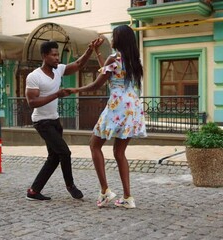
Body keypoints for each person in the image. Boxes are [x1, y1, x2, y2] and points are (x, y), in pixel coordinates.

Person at [68, 25, 147, 208]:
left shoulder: (114, 58)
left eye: (114, 35)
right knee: (120, 153)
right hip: (132, 106)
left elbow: (97, 84)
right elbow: (108, 72)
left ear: (119, 39)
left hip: (117, 105)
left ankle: (105, 191)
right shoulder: (134, 60)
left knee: (94, 145)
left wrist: (74, 90)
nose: (112, 38)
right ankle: (128, 198)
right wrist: (97, 53)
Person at [25, 39, 99, 201]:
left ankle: (33, 191)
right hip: (42, 122)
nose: (57, 58)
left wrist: (90, 50)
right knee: (64, 152)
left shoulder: (58, 70)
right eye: (53, 55)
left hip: (55, 120)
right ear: (44, 56)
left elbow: (78, 65)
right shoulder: (34, 77)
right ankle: (70, 185)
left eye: (58, 54)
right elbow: (32, 102)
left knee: (54, 157)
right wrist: (56, 94)